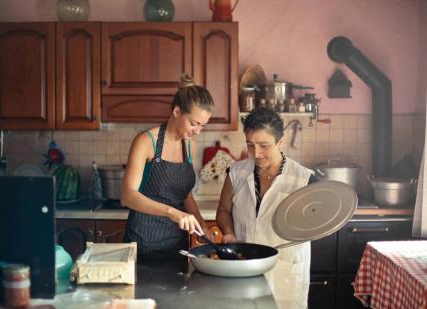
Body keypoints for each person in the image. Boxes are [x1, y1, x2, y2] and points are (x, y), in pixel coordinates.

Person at [216, 107, 315, 308]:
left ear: (280, 142)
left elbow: (316, 225)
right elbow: (223, 211)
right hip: (244, 267)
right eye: (250, 145)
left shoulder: (303, 179)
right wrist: (228, 232)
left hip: (285, 271)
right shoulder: (236, 172)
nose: (256, 153)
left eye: (263, 145)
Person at [121, 74, 214, 262]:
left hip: (177, 246)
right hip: (143, 243)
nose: (197, 131)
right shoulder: (147, 141)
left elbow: (185, 195)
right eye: (194, 123)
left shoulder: (189, 145)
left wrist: (202, 226)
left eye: (202, 126)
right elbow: (127, 196)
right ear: (177, 111)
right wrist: (172, 212)